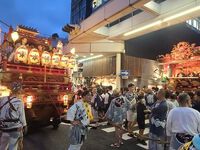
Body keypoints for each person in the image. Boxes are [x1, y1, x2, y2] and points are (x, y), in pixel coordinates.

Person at [0, 82, 27, 150]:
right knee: (13, 147)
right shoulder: (19, 102)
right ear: (19, 90)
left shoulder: (3, 99)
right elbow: (22, 116)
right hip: (15, 128)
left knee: (3, 146)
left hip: (4, 127)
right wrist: (25, 126)